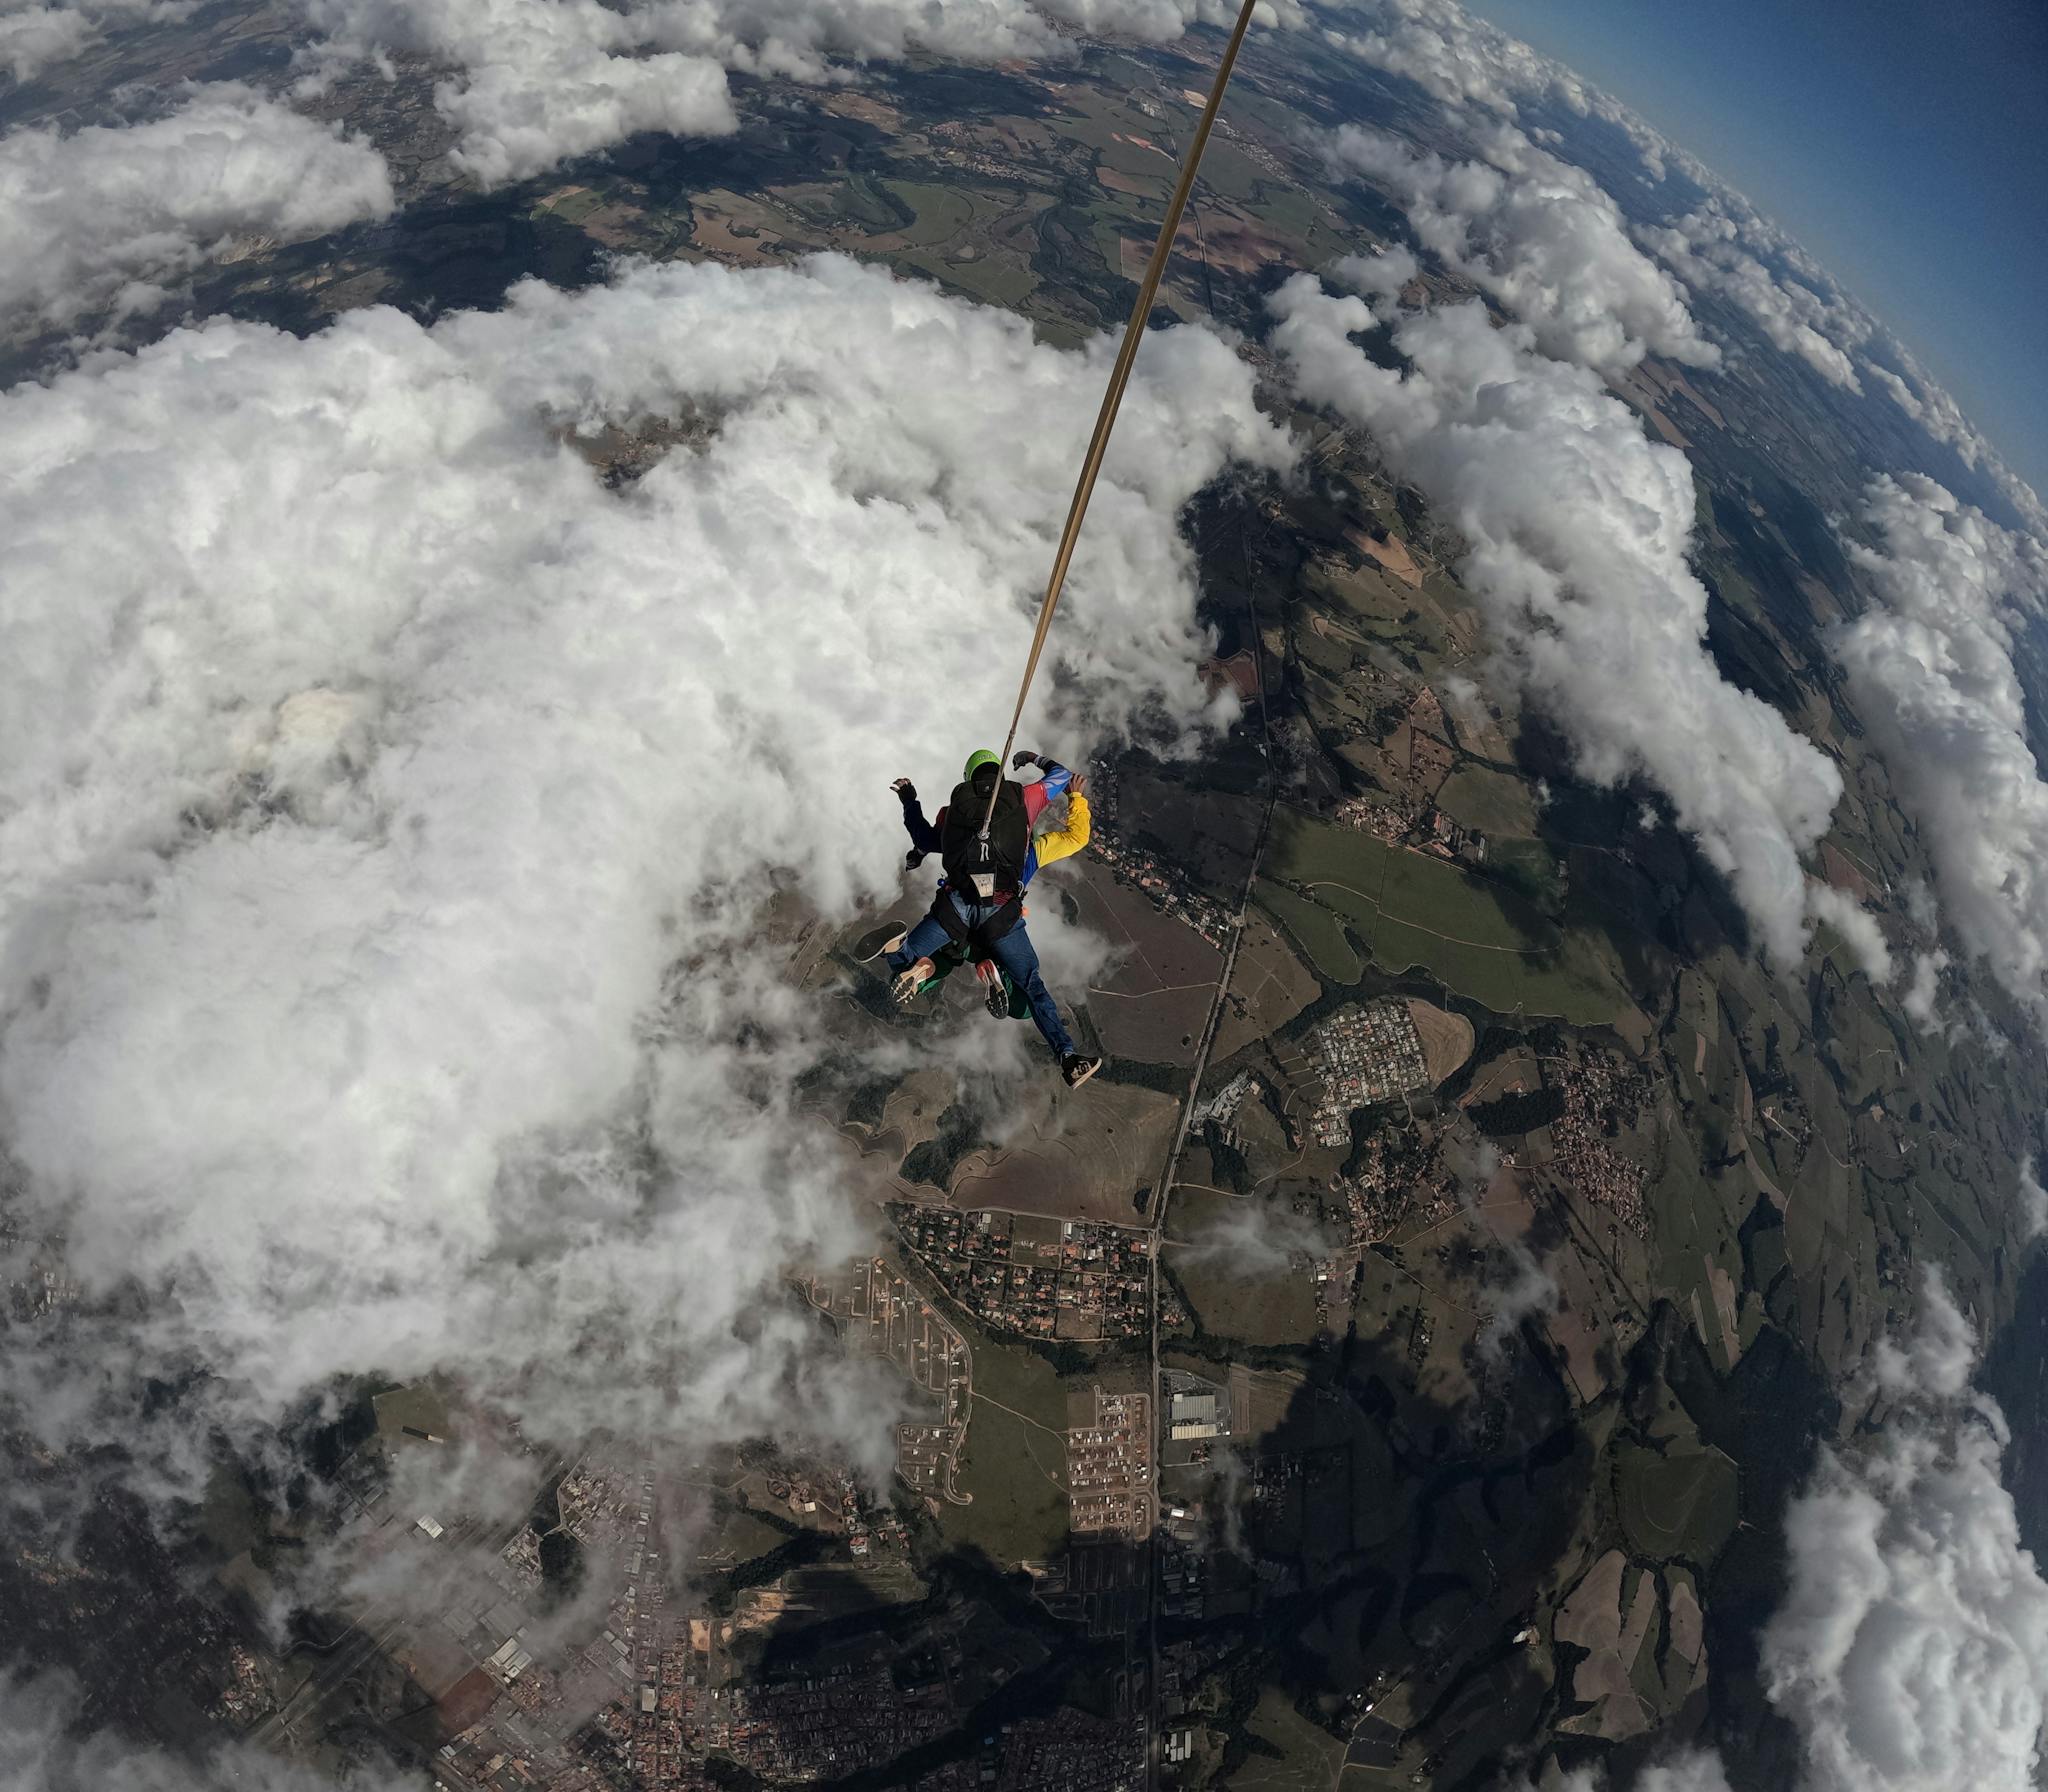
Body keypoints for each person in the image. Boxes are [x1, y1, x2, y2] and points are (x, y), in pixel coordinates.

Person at [885, 749, 1101, 1088]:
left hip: (954, 910)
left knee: (918, 959)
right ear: (1000, 775)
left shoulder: (953, 815)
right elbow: (1068, 803)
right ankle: (1067, 1056)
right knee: (1029, 991)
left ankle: (906, 957)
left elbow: (923, 836)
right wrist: (1046, 770)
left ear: (969, 779)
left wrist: (909, 799)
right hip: (1000, 920)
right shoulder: (1027, 813)